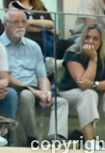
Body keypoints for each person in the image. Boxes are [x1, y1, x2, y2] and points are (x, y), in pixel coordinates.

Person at [57, 23, 105, 151]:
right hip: (69, 94)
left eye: (95, 39)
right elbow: (83, 83)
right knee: (89, 94)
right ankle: (90, 142)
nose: (90, 41)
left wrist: (94, 85)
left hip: (96, 92)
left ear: (101, 41)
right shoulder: (72, 52)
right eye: (87, 37)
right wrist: (93, 59)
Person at [2, 8, 68, 144]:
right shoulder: (0, 47)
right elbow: (7, 78)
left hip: (35, 89)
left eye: (23, 22)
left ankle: (55, 139)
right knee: (27, 96)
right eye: (16, 22)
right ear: (5, 25)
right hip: (16, 89)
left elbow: (42, 76)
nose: (20, 26)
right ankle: (32, 139)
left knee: (61, 102)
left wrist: (45, 92)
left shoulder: (34, 46)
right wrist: (36, 92)